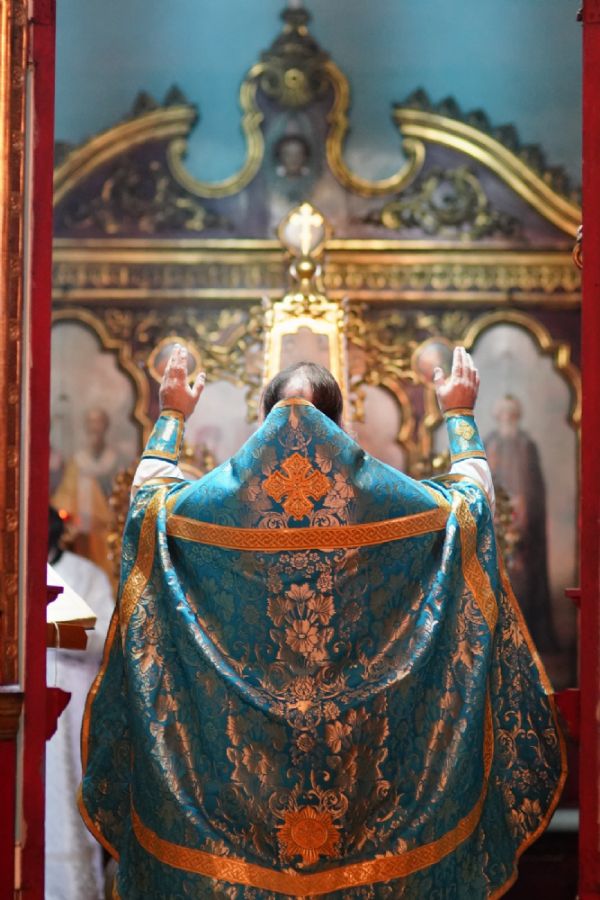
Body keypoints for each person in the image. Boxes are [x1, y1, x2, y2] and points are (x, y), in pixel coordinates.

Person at [80, 346, 565, 899]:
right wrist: (459, 416)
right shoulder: (387, 505)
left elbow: (147, 507)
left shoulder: (214, 511)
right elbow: (471, 508)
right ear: (341, 421)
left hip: (243, 785)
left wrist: (171, 415)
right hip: (364, 777)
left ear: (263, 417)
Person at [46, 507, 115, 900]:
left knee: (67, 799)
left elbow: (106, 635)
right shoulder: (12, 572)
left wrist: (51, 627)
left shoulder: (85, 574)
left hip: (71, 709)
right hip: (21, 702)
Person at [485, 394, 559, 653]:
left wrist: (524, 511)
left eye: (511, 413)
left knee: (524, 578)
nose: (507, 417)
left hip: (524, 524)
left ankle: (527, 638)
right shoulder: (490, 443)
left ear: (516, 415)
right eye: (503, 413)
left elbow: (533, 487)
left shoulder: (527, 446)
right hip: (497, 521)